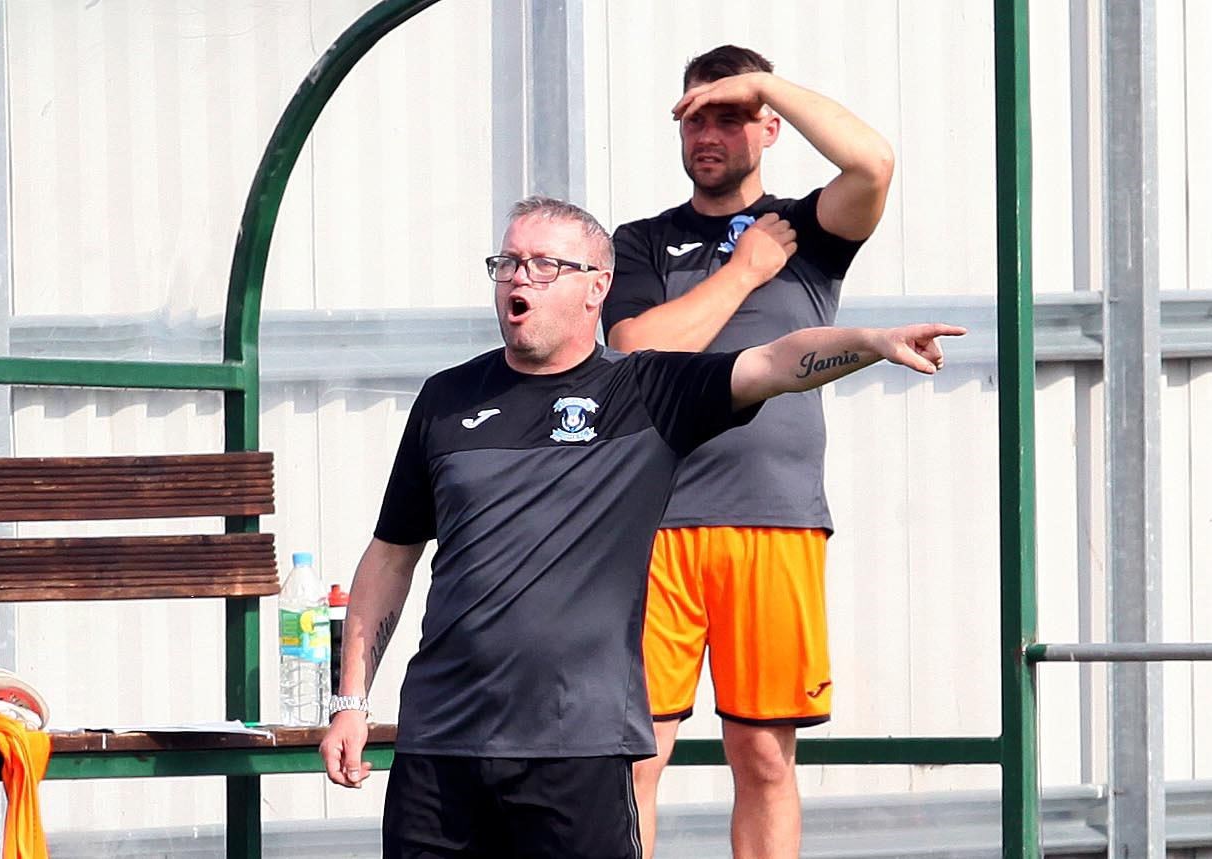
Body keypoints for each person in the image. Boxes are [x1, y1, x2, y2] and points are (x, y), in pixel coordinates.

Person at [319, 195, 960, 859]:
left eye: (542, 265)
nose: (517, 278)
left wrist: (869, 343)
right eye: (507, 262)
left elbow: (776, 360)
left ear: (596, 285)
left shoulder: (646, 391)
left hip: (579, 746)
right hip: (440, 746)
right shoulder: (447, 398)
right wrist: (349, 702)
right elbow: (391, 555)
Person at [601, 46, 896, 857]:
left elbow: (872, 161)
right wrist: (740, 272)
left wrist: (764, 83)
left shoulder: (808, 229)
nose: (709, 132)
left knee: (763, 754)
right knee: (635, 756)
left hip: (774, 520)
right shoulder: (642, 242)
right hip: (653, 524)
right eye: (695, 115)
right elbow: (633, 349)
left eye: (730, 114)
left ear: (769, 125)